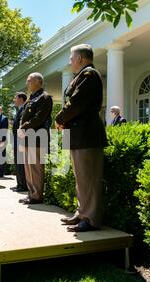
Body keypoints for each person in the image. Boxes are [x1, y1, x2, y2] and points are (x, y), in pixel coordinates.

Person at [55, 44, 108, 232]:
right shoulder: (81, 76)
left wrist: (59, 118)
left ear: (80, 59)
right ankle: (82, 212)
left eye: (71, 57)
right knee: (82, 179)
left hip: (87, 135)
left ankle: (91, 219)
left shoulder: (89, 75)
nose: (69, 61)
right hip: (79, 135)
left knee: (89, 179)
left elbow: (76, 103)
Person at [18, 73, 53, 205]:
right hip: (28, 137)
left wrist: (24, 126)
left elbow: (39, 118)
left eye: (29, 80)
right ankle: (31, 193)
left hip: (37, 137)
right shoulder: (32, 98)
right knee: (29, 167)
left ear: (38, 81)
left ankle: (37, 195)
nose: (27, 82)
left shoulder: (44, 97)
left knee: (36, 168)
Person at [11, 92, 28, 192]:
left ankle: (23, 185)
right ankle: (19, 184)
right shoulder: (19, 109)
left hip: (21, 139)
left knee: (21, 162)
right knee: (17, 162)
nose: (14, 100)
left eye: (15, 98)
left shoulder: (24, 108)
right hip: (17, 139)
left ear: (21, 99)